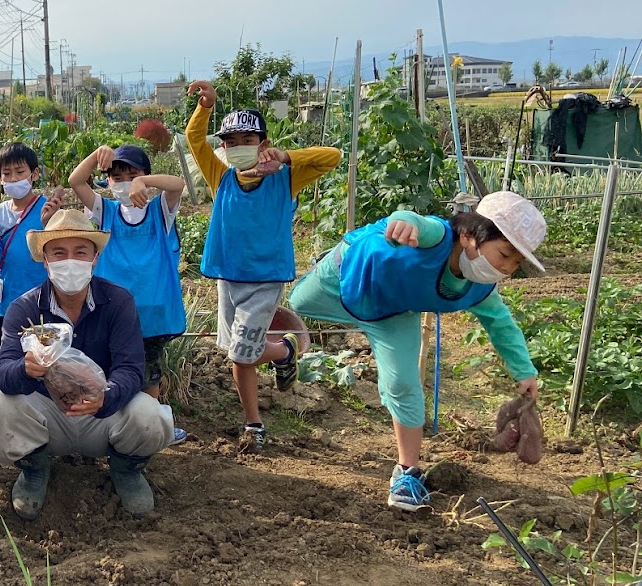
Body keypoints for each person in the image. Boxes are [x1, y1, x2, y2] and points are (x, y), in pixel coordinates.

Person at [289, 192, 545, 511]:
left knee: (403, 384)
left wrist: (525, 372)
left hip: (392, 313)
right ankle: (328, 258)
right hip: (348, 272)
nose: (507, 268)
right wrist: (403, 221)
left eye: (515, 263)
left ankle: (407, 473)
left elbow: (502, 325)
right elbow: (417, 222)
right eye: (504, 254)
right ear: (468, 237)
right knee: (298, 302)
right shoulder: (438, 237)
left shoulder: (481, 288)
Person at [0, 210, 174, 520]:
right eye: (59, 252)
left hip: (102, 416)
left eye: (80, 252)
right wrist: (26, 369)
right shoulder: (24, 308)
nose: (70, 261)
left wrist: (106, 396)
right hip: (48, 418)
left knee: (148, 414)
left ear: (94, 258)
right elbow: (3, 373)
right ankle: (35, 468)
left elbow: (131, 368)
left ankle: (126, 469)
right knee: (3, 409)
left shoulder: (118, 302)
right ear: (45, 259)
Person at [185, 81, 341, 452]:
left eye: (248, 139)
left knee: (241, 352)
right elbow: (194, 138)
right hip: (228, 276)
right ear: (223, 148)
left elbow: (331, 156)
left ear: (263, 143)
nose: (239, 147)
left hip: (266, 279)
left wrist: (285, 158)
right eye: (231, 141)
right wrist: (206, 105)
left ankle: (253, 425)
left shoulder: (286, 178)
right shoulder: (220, 176)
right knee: (237, 349)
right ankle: (285, 351)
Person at [67, 144, 186, 404]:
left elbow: (177, 184)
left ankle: (151, 424)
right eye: (117, 178)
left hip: (152, 314)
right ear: (107, 181)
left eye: (132, 176)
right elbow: (75, 180)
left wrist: (143, 181)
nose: (125, 184)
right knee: (115, 369)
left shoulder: (159, 210)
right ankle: (119, 424)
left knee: (147, 375)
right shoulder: (105, 210)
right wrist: (96, 154)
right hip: (115, 312)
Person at [0, 142, 63, 354]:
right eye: (7, 173)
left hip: (41, 297)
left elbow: (56, 251)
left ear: (34, 174)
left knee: (43, 355)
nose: (14, 178)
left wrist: (48, 224)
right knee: (7, 353)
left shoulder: (47, 208)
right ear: (0, 179)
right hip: (7, 299)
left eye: (20, 171)